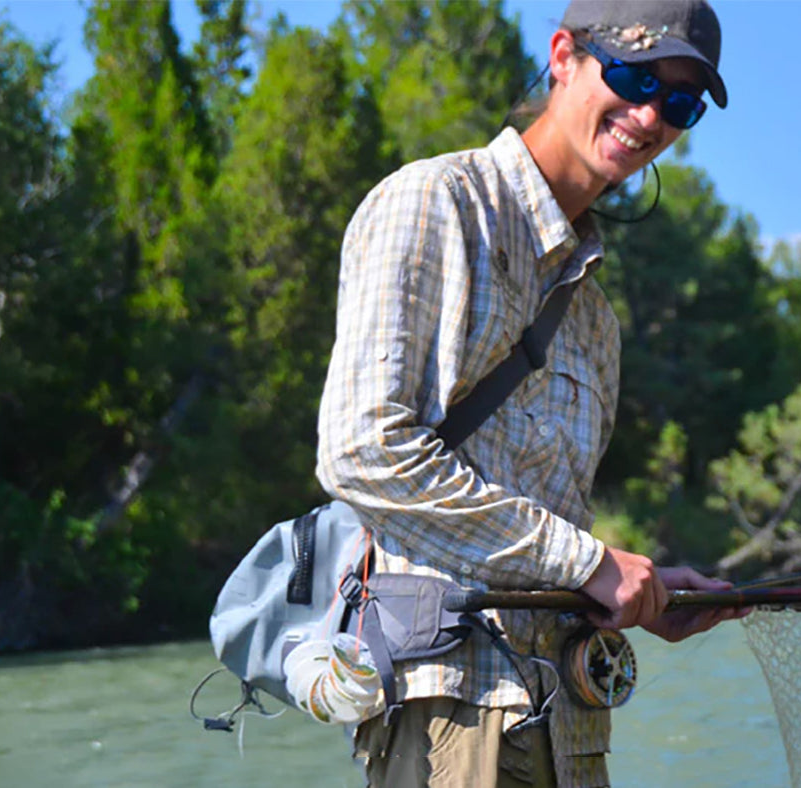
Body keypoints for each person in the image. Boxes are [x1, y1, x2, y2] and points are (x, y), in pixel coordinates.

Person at [315, 2, 737, 786]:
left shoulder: (597, 321)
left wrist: (637, 593)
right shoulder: (435, 202)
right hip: (451, 719)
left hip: (572, 728)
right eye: (635, 77)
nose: (651, 115)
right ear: (563, 56)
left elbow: (551, 536)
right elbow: (363, 450)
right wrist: (588, 562)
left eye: (680, 103)